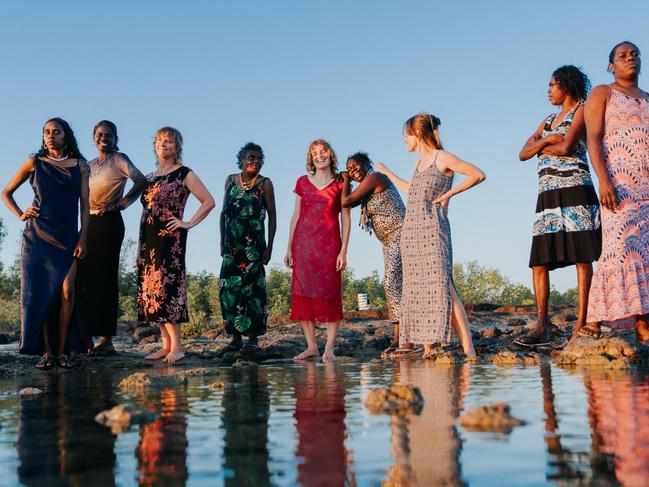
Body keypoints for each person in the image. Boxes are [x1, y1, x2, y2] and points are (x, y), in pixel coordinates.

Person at [376, 113, 484, 359]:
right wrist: (388, 173)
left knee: (445, 287)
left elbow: (477, 174)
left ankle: (470, 351)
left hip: (433, 229)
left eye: (406, 135)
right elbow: (410, 190)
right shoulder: (417, 164)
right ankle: (428, 348)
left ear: (417, 133)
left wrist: (449, 194)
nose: (404, 141)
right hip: (411, 233)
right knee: (417, 290)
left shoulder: (441, 157)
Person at [515, 66, 601, 346]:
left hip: (576, 188)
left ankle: (581, 323)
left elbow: (567, 148)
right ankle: (542, 327)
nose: (548, 90)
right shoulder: (549, 119)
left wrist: (543, 144)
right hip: (548, 195)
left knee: (582, 257)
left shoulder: (582, 110)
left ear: (566, 85)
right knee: (539, 262)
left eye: (552, 85)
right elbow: (522, 154)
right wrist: (549, 138)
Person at [2, 117, 89, 369]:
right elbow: (6, 192)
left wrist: (83, 237)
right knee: (41, 294)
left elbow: (85, 206)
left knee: (67, 291)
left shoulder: (80, 166)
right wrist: (20, 214)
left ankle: (63, 351)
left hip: (67, 236)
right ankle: (48, 353)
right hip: (37, 237)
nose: (51, 136)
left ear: (66, 136)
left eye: (56, 132)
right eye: (47, 132)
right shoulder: (34, 162)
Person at [582, 41, 649, 343]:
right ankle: (596, 318)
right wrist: (604, 179)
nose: (630, 58)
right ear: (611, 65)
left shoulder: (648, 99)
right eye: (622, 56)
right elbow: (593, 140)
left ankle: (642, 319)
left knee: (645, 250)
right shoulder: (602, 93)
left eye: (634, 54)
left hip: (647, 188)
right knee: (618, 246)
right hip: (619, 185)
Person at [137, 127, 215, 363]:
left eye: (169, 141)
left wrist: (187, 223)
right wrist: (139, 248)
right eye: (160, 141)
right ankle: (165, 345)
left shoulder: (184, 173)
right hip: (148, 239)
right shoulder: (149, 178)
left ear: (177, 146)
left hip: (170, 239)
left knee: (167, 288)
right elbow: (145, 212)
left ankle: (178, 347)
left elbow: (208, 201)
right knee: (151, 292)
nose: (163, 145)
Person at [80, 120, 147, 356]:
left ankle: (106, 339)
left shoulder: (119, 158)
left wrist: (120, 205)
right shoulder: (87, 165)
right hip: (88, 224)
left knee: (106, 279)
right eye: (99, 134)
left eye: (108, 135)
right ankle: (86, 336)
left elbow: (141, 180)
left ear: (115, 138)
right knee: (85, 279)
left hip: (109, 224)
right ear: (93, 137)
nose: (103, 138)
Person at [285, 139, 351, 362]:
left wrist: (343, 251)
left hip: (329, 245)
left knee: (331, 293)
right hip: (303, 245)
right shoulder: (302, 182)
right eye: (314, 153)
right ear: (310, 158)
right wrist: (289, 247)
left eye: (323, 151)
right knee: (303, 295)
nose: (319, 156)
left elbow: (346, 217)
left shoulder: (340, 183)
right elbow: (295, 215)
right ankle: (311, 346)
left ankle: (329, 348)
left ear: (330, 154)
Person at [340, 151, 405, 355]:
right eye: (349, 169)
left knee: (391, 283)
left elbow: (346, 201)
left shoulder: (375, 178)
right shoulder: (366, 188)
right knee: (396, 285)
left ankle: (400, 338)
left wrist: (343, 180)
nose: (352, 171)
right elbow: (344, 202)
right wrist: (346, 181)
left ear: (366, 163)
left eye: (355, 165)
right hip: (387, 240)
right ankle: (402, 336)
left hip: (400, 233)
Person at [219, 142, 276, 354]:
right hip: (231, 247)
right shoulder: (230, 181)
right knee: (227, 289)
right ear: (241, 160)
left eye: (259, 158)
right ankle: (235, 338)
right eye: (251, 157)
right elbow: (223, 214)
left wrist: (270, 246)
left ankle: (252, 338)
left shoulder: (265, 184)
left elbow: (273, 216)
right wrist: (221, 242)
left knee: (253, 291)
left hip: (254, 246)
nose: (256, 161)